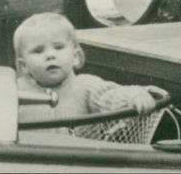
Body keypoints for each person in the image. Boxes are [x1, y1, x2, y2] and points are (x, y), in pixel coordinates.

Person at [13, 13, 159, 137]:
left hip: (81, 162)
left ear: (75, 56)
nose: (50, 55)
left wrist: (135, 96)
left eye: (58, 47)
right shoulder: (15, 91)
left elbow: (112, 97)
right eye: (39, 51)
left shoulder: (85, 86)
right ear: (23, 65)